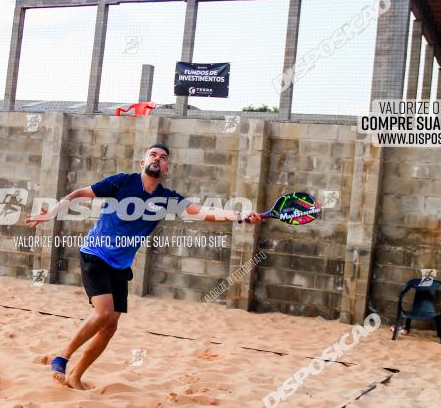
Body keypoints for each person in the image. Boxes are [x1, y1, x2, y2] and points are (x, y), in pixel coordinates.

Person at [25, 143, 263, 389]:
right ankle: (62, 357)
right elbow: (77, 194)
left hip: (120, 265)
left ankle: (76, 376)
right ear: (143, 162)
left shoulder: (167, 198)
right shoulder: (121, 182)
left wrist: (240, 216)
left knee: (110, 327)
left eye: (163, 157)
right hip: (95, 253)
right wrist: (52, 212)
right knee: (104, 313)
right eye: (153, 155)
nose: (157, 159)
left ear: (167, 168)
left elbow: (202, 211)